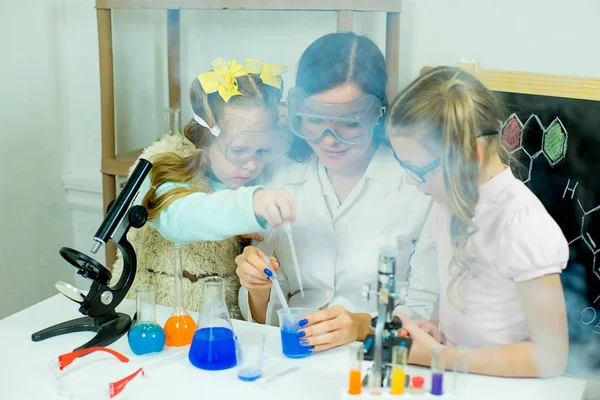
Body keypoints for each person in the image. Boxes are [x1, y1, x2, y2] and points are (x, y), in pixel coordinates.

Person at [235, 33, 439, 352]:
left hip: (378, 363)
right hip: (290, 357)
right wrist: (257, 288)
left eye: (349, 123)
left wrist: (361, 327)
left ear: (378, 114)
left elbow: (427, 317)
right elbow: (267, 321)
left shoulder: (418, 188)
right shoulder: (280, 176)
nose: (330, 139)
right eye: (315, 119)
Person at [388, 66, 569, 377]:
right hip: (462, 378)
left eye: (417, 169)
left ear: (468, 156)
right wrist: (434, 331)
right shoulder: (448, 201)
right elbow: (454, 297)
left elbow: (550, 357)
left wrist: (441, 357)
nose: (409, 181)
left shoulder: (521, 224)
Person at [111, 58, 296, 318]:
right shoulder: (165, 167)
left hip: (219, 326)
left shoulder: (258, 179)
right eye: (239, 151)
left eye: (263, 150)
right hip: (150, 316)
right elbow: (179, 220)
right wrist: (250, 206)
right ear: (206, 137)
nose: (252, 164)